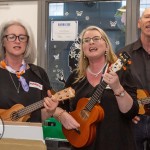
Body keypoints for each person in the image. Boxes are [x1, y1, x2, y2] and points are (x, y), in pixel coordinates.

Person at [52, 26, 139, 150]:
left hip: (117, 144)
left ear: (107, 46)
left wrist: (117, 88)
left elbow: (131, 112)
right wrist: (61, 115)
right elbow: (58, 107)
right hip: (82, 143)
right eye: (86, 40)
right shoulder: (75, 78)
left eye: (96, 38)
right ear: (83, 48)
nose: (91, 42)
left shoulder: (121, 73)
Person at [0, 20, 58, 123]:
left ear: (27, 43)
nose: (17, 41)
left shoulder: (39, 73)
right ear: (3, 41)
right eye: (12, 37)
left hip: (32, 137)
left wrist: (50, 111)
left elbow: (39, 118)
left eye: (22, 38)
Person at [118, 8, 150, 150]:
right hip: (134, 120)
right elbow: (112, 87)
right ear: (139, 23)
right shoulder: (123, 54)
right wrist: (126, 114)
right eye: (147, 17)